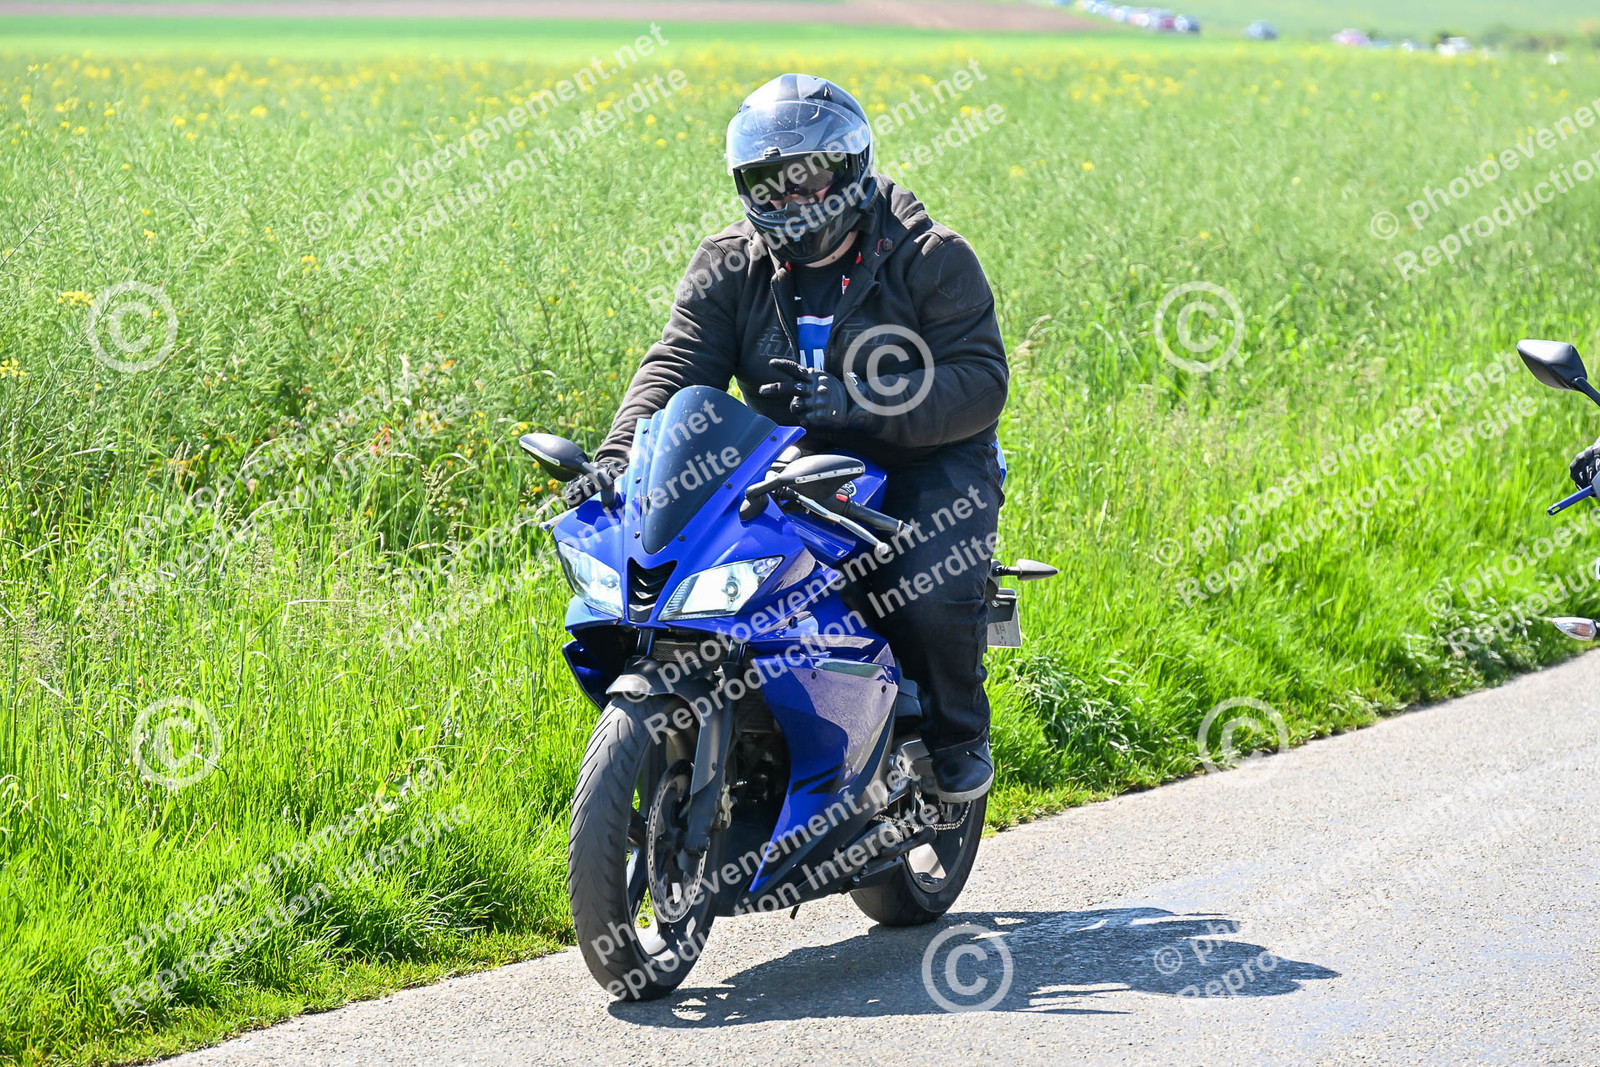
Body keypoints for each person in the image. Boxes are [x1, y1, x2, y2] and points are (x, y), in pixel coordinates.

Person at [564, 73, 1008, 801]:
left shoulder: (931, 256)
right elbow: (677, 365)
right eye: (770, 185)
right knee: (704, 589)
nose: (792, 201)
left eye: (811, 180)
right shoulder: (727, 263)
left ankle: (956, 736)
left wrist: (862, 401)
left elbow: (981, 381)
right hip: (788, 460)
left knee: (922, 581)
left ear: (851, 170)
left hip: (928, 458)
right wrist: (616, 462)